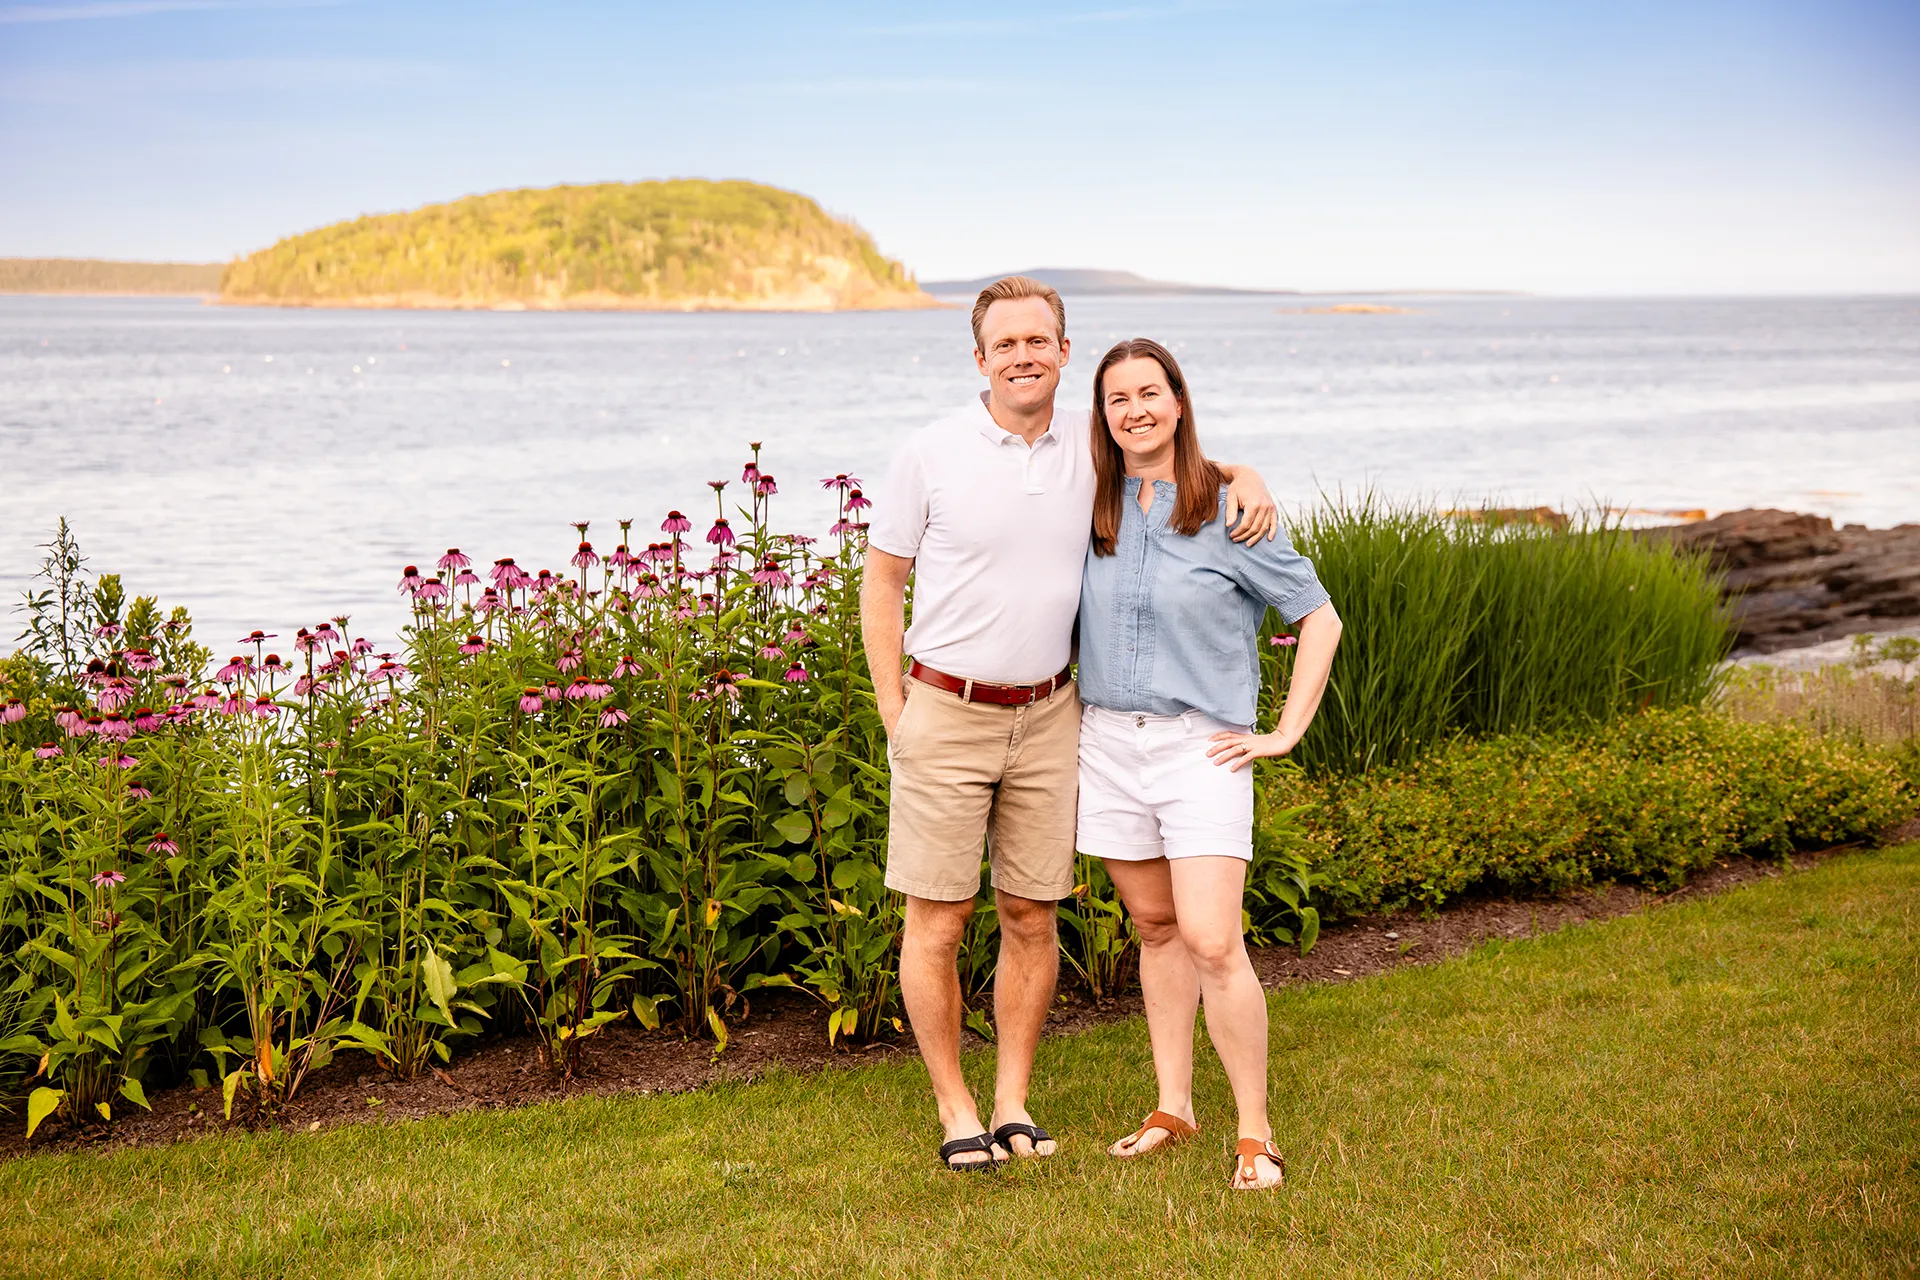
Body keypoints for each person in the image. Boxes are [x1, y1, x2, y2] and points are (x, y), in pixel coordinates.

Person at [861, 278, 1282, 1171]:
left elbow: (1170, 457)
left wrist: (1247, 475)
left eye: (1038, 341)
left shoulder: (1088, 456)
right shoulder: (930, 453)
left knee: (1029, 915)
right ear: (980, 358)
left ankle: (1012, 1097)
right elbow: (883, 580)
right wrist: (896, 708)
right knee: (936, 922)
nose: (1022, 356)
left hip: (1055, 714)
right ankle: (956, 1107)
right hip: (945, 709)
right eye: (1004, 343)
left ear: (1062, 352)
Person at [1075, 337, 1342, 1191]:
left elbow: (1319, 616)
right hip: (1107, 742)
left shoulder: (1230, 509)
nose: (1136, 410)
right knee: (1156, 930)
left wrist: (1285, 731)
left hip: (1203, 746)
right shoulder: (1090, 502)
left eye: (1150, 393)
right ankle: (1173, 1106)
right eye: (1119, 399)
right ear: (1103, 414)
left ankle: (1255, 1133)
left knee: (1214, 940)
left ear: (1178, 401)